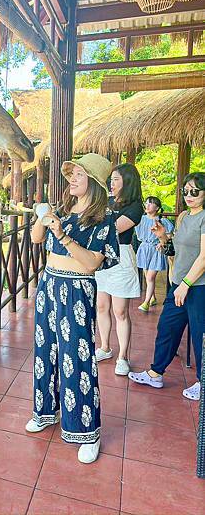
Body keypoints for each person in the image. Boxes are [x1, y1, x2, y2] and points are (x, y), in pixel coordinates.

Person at [27, 154, 119, 464]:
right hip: (49, 284)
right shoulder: (63, 210)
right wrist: (45, 219)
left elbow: (92, 263)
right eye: (72, 174)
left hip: (77, 289)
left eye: (79, 174)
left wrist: (63, 234)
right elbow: (36, 239)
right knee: (45, 352)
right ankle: (45, 411)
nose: (72, 179)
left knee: (77, 357)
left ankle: (87, 431)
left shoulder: (104, 218)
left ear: (93, 182)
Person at [129, 172, 205, 401]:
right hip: (178, 284)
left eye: (195, 191)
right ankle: (156, 373)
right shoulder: (183, 216)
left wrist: (186, 284)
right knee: (167, 328)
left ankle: (203, 383)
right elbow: (174, 249)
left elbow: (203, 257)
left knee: (200, 335)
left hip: (198, 286)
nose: (189, 195)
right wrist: (163, 237)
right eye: (186, 191)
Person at [95, 163, 144, 376]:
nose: (111, 183)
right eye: (111, 179)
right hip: (102, 256)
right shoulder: (108, 202)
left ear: (128, 181)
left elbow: (112, 230)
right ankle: (105, 347)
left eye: (115, 179)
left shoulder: (135, 207)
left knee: (120, 311)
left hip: (121, 257)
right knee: (101, 306)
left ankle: (123, 356)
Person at [135, 197, 174, 312]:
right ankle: (153, 298)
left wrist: (162, 242)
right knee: (147, 276)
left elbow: (170, 236)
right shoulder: (141, 219)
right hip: (144, 248)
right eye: (146, 203)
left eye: (150, 204)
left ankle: (146, 303)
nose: (147, 206)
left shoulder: (162, 221)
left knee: (150, 277)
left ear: (157, 208)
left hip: (156, 250)